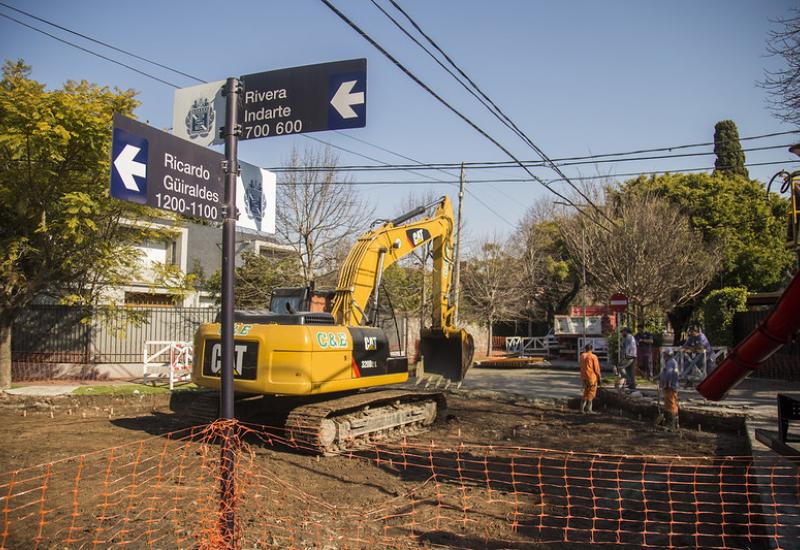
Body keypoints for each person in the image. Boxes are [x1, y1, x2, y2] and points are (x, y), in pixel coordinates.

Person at [659, 349, 680, 431]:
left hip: (670, 387)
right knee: (671, 405)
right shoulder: (672, 362)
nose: (664, 356)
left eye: (665, 355)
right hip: (671, 386)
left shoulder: (670, 362)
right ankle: (674, 423)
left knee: (670, 405)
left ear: (668, 355)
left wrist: (665, 384)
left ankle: (671, 425)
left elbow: (669, 374)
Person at [579, 343, 602, 414]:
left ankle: (582, 409)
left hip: (584, 377)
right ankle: (589, 409)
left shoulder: (582, 356)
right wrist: (599, 378)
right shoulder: (593, 356)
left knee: (585, 392)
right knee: (591, 393)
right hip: (591, 377)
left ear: (585, 349)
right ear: (591, 349)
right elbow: (597, 369)